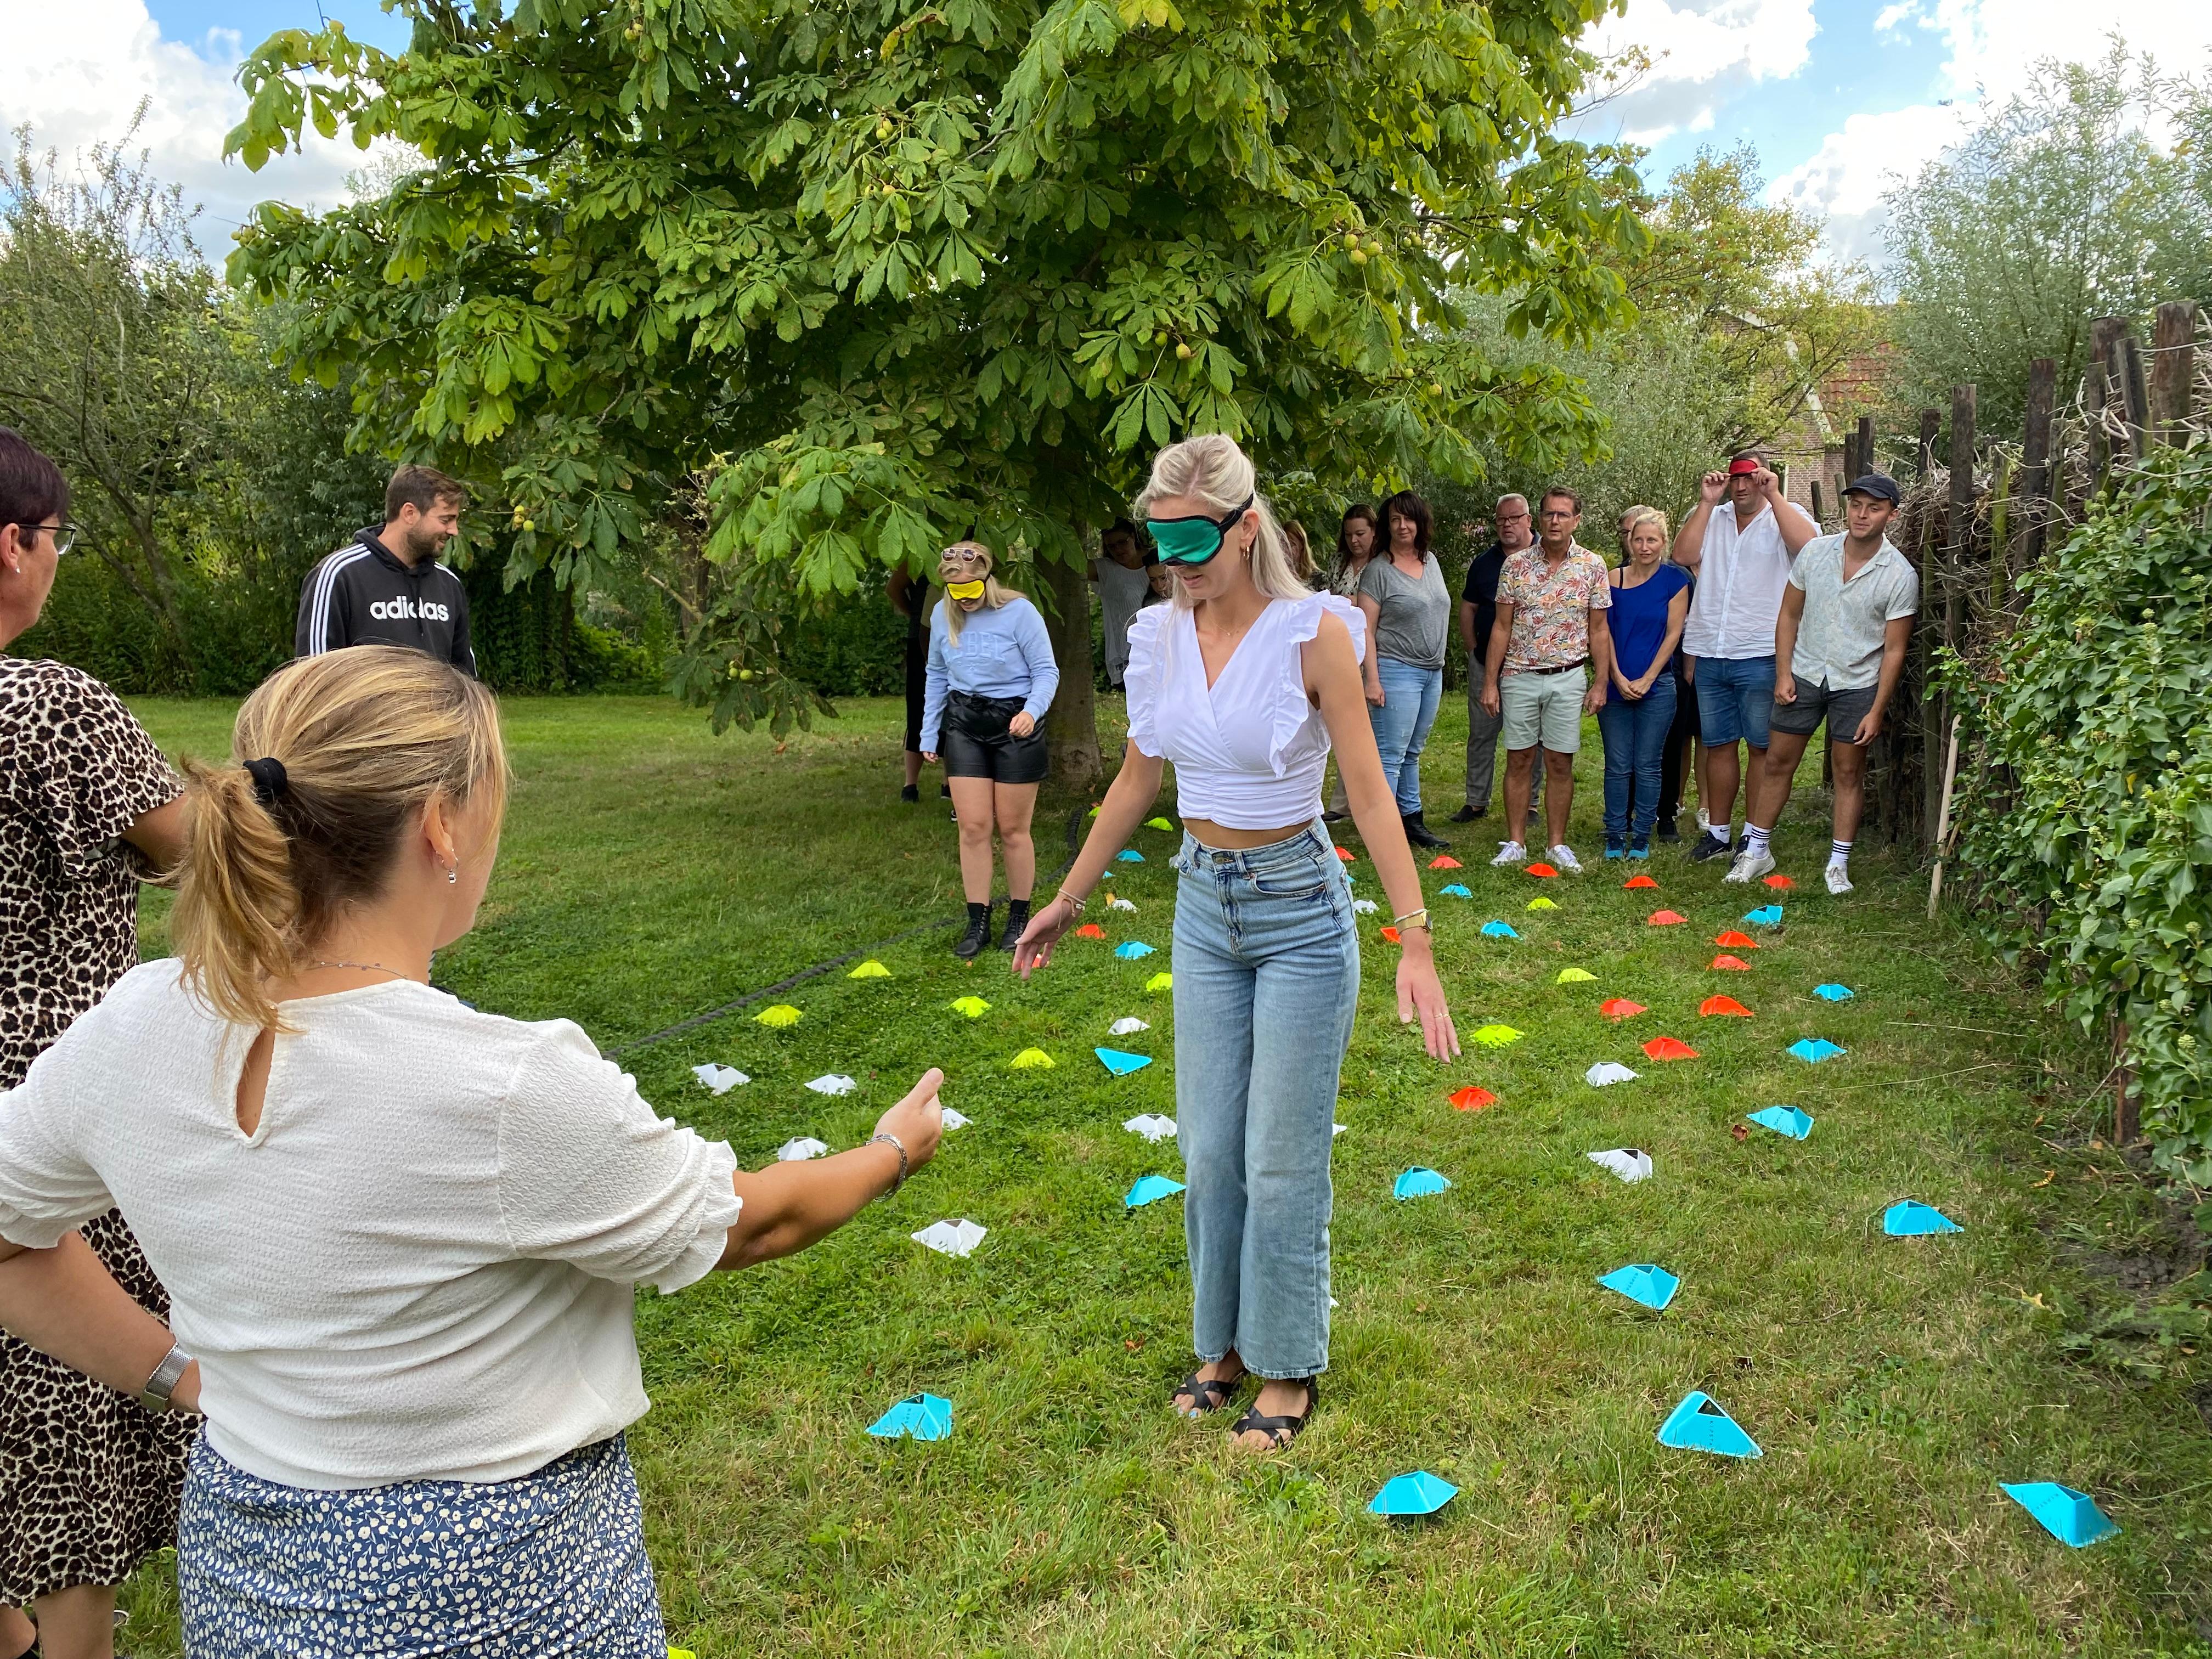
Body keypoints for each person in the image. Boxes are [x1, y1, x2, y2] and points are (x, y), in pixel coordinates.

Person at [0, 646, 947, 1658]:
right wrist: (891, 1147)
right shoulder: (505, 1083)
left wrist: (172, 1372)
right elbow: (752, 1220)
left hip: (246, 1556)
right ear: (441, 825)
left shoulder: (134, 1022)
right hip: (502, 1581)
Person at [1013, 433, 1457, 1454]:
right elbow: (1139, 776)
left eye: (1193, 539)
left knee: (1280, 1155)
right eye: (1159, 538)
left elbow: (1365, 785)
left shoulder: (1316, 633)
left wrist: (1415, 934)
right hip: (1203, 907)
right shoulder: (1159, 635)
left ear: (1245, 526)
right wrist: (1071, 896)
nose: (1175, 559)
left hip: (1301, 909)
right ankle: (1217, 1345)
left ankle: (1287, 1360)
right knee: (1210, 1149)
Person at [0, 430, 194, 1659]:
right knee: (69, 1390)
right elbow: (185, 846)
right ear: (10, 546)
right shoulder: (48, 705)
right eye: (56, 539)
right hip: (52, 1106)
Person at [1729, 473, 1920, 893]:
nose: (1862, 514)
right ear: (1847, 508)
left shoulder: (1900, 574)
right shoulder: (1815, 552)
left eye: (1874, 507)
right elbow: (1789, 615)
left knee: (1848, 771)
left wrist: (1876, 710)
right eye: (1856, 505)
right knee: (1778, 761)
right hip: (1805, 672)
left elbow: (1894, 650)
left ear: (1892, 514)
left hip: (1858, 681)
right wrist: (1783, 672)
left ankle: (1838, 863)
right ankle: (1757, 851)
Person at [1671, 454, 1818, 861]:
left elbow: (1810, 548)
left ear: (1764, 479)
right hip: (1712, 650)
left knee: (1760, 748)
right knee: (1718, 745)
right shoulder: (1714, 516)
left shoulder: (1786, 514)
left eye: (1750, 479)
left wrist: (1775, 495)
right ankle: (1718, 835)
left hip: (1761, 651)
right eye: (1735, 479)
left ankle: (1754, 838)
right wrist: (1705, 501)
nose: (1741, 487)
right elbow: (1682, 555)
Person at [919, 541, 1060, 957]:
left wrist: (1031, 713)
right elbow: (936, 675)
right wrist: (931, 734)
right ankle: (977, 919)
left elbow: (1046, 671)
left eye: (970, 590)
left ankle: (1019, 916)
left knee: (1014, 830)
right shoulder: (943, 616)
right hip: (965, 722)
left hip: (1015, 722)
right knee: (973, 827)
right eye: (955, 592)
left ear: (987, 579)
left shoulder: (1019, 613)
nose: (963, 599)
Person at [1480, 486, 1613, 872]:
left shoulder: (1592, 566)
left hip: (1568, 675)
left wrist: (1600, 682)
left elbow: (1600, 630)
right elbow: (1501, 628)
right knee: (1519, 758)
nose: (1555, 521)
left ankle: (1557, 844)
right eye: (1548, 514)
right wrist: (1491, 681)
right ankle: (1516, 842)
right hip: (1520, 674)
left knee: (1560, 762)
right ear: (1539, 519)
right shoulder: (1516, 565)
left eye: (1563, 515)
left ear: (1576, 520)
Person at [295, 465, 477, 673]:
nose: (453, 531)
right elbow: (313, 676)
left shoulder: (449, 585)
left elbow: (466, 678)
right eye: (446, 519)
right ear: (410, 513)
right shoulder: (339, 575)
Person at [1355, 490, 1454, 850]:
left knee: (1412, 751)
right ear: (1387, 525)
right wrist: (1373, 679)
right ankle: (1382, 831)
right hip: (1396, 669)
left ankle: (1411, 821)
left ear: (1420, 522)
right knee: (1390, 755)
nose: (1402, 526)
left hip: (1432, 672)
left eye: (1408, 518)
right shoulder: (1379, 571)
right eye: (1395, 519)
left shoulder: (1432, 562)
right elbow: (1365, 627)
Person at [1596, 509, 1690, 859]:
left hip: (1658, 686)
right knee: (1618, 763)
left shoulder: (1675, 581)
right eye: (1638, 539)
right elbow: (1603, 631)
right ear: (1629, 542)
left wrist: (1649, 678)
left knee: (1649, 763)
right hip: (1615, 684)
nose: (1644, 546)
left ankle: (1641, 835)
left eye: (1652, 540)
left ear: (1663, 543)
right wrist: (1615, 676)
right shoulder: (1612, 579)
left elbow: (1673, 634)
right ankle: (1615, 832)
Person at [1452, 493, 1540, 836]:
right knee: (1482, 733)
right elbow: (1468, 609)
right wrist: (1475, 649)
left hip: (1532, 665)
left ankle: (1530, 803)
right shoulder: (1484, 563)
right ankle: (1476, 800)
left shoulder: (1543, 558)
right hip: (1488, 662)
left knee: (1532, 737)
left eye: (1514, 518)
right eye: (1501, 520)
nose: (1507, 525)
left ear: (1529, 520)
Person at [1320, 504, 1377, 823]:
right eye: (1349, 534)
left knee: (1360, 732)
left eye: (1361, 533)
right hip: (1340, 653)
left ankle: (1354, 802)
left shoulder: (1381, 565)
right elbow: (1328, 600)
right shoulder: (1338, 563)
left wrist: (1351, 605)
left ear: (1373, 532)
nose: (1355, 541)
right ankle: (1339, 804)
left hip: (1370, 654)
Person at [888, 566, 944, 805]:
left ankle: (949, 783)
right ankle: (910, 784)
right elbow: (893, 588)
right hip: (922, 637)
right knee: (918, 710)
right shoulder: (919, 556)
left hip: (953, 638)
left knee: (956, 710)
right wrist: (914, 614)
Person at [1092, 519, 1153, 691]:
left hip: (1162, 645)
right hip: (1126, 652)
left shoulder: (1157, 558)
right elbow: (1071, 565)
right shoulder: (1105, 569)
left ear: (1133, 537)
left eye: (1122, 542)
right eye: (1112, 546)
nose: (1118, 549)